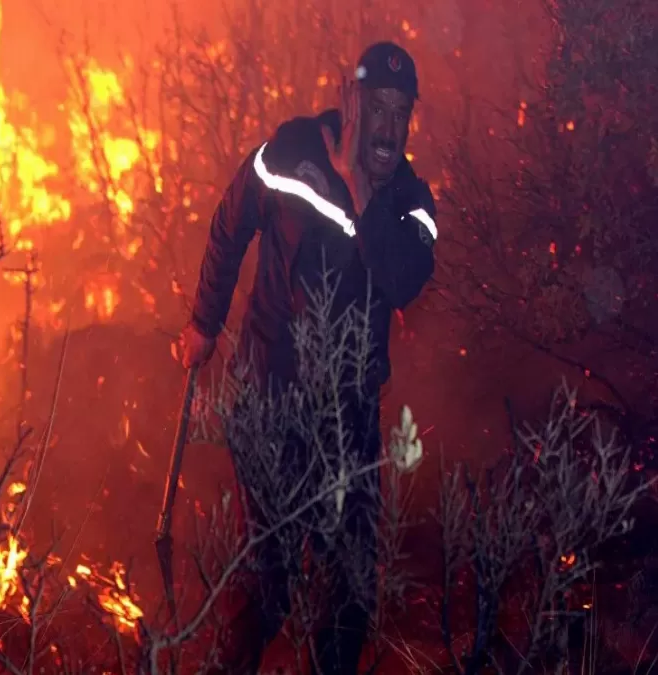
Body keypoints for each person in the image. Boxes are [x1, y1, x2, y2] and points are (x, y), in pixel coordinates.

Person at [179, 41, 438, 673]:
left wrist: (358, 189)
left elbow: (404, 278)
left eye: (401, 111)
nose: (388, 126)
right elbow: (230, 222)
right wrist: (203, 323)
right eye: (377, 106)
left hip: (348, 420)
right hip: (270, 401)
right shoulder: (288, 154)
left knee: (348, 589)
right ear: (349, 100)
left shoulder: (410, 201)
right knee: (266, 584)